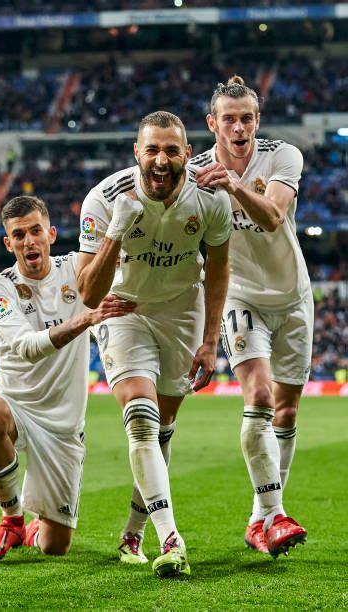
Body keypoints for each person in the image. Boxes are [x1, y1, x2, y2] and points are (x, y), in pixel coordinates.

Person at [77, 110, 232, 577]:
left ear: (187, 153)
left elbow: (220, 270)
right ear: (136, 153)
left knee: (162, 426)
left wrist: (210, 340)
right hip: (124, 310)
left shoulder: (210, 198)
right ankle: (172, 539)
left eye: (171, 150)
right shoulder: (104, 199)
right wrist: (115, 232)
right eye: (152, 150)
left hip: (183, 309)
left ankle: (132, 531)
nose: (161, 161)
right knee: (140, 420)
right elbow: (87, 292)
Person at [0, 195, 135, 561]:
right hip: (16, 403)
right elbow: (27, 347)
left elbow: (123, 269)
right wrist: (86, 319)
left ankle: (37, 527)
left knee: (55, 547)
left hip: (63, 425)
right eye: (18, 235)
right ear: (8, 243)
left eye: (35, 231)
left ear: (51, 233)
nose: (28, 241)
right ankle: (12, 519)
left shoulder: (77, 269)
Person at [192, 76, 313, 558]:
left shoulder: (283, 156)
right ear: (212, 124)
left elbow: (272, 218)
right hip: (240, 299)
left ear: (257, 121)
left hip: (293, 296)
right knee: (259, 395)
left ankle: (261, 517)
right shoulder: (195, 170)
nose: (238, 127)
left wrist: (234, 185)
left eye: (246, 118)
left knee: (286, 411)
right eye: (229, 119)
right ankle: (278, 515)